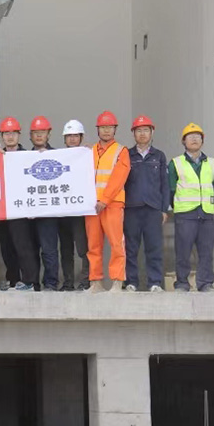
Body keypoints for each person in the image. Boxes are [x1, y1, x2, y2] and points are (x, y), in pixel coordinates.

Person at [86, 111, 131, 293]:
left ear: (115, 129)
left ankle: (117, 282)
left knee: (116, 244)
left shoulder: (121, 151)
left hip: (112, 204)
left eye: (109, 127)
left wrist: (104, 200)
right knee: (93, 246)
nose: (106, 130)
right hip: (91, 206)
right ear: (98, 129)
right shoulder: (89, 152)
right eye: (103, 127)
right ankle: (95, 282)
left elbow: (118, 178)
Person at [124, 115, 170, 292]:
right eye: (139, 130)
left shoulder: (159, 156)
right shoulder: (127, 155)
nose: (142, 134)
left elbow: (165, 184)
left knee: (154, 248)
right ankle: (131, 282)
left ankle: (155, 282)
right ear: (133, 134)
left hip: (153, 209)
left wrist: (164, 209)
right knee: (130, 248)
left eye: (145, 130)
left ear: (152, 133)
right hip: (131, 209)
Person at [170, 123, 214, 292]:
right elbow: (171, 189)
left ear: (202, 141)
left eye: (198, 136)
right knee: (183, 251)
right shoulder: (176, 163)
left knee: (206, 251)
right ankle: (182, 283)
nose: (194, 139)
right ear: (183, 141)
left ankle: (205, 283)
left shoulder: (212, 163)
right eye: (190, 136)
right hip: (185, 214)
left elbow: (213, 186)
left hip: (206, 214)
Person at [0, 117, 40, 291]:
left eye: (13, 133)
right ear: (2, 136)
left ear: (19, 135)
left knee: (24, 245)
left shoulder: (28, 156)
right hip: (2, 209)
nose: (10, 136)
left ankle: (30, 281)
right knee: (6, 247)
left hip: (22, 208)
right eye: (6, 133)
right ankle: (13, 280)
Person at [58, 120, 90, 291]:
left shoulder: (88, 155)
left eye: (75, 135)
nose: (72, 139)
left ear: (81, 137)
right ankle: (68, 282)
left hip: (80, 210)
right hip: (62, 211)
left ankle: (85, 281)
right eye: (69, 136)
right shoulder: (57, 156)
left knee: (83, 249)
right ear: (64, 138)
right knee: (65, 249)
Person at [29, 116, 60, 291]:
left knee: (49, 250)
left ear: (48, 134)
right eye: (35, 132)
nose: (39, 135)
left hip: (49, 213)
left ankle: (51, 282)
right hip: (28, 212)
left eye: (42, 132)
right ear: (30, 136)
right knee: (30, 250)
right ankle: (33, 283)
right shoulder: (23, 157)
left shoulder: (59, 156)